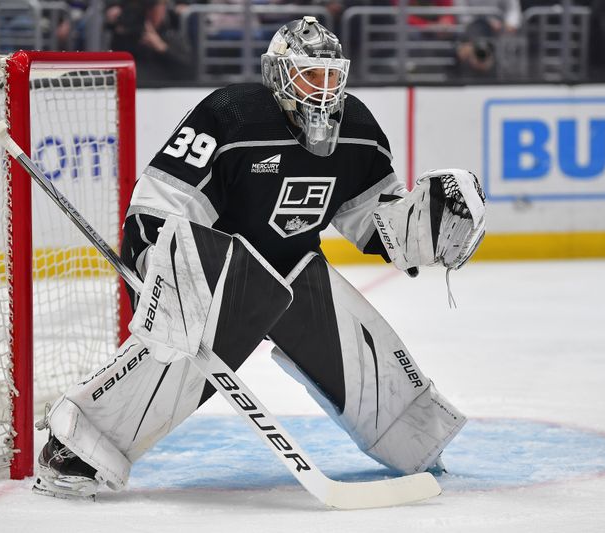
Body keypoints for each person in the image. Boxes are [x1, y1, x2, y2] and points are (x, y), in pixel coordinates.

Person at [33, 16, 486, 500]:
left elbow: (374, 222)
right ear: (278, 73)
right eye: (311, 74)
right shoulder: (230, 115)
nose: (325, 89)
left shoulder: (359, 132)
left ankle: (411, 438)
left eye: (333, 76)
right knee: (187, 347)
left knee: (360, 342)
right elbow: (155, 208)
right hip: (209, 275)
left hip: (290, 269)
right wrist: (159, 270)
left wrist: (421, 227)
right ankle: (78, 445)